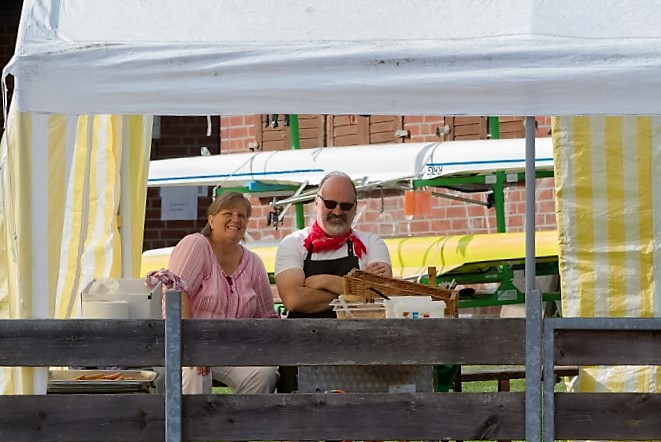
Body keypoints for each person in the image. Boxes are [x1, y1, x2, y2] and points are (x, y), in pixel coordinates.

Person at [166, 191, 279, 394]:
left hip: (234, 349)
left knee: (264, 373)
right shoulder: (195, 244)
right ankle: (194, 417)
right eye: (228, 213)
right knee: (195, 372)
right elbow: (176, 291)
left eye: (241, 215)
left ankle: (243, 416)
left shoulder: (254, 262)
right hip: (188, 344)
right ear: (211, 220)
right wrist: (194, 345)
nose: (235, 219)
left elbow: (267, 316)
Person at [275, 171, 393, 318]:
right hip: (306, 333)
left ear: (355, 207)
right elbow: (294, 300)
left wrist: (324, 281)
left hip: (358, 332)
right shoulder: (293, 243)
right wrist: (357, 290)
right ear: (316, 203)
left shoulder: (372, 243)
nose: (337, 212)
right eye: (330, 204)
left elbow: (381, 293)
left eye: (345, 206)